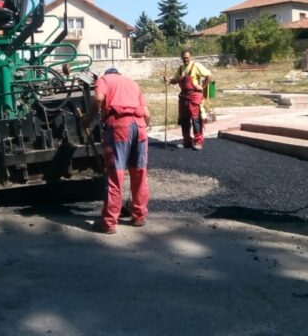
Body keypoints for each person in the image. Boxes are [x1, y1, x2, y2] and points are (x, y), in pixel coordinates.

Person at [80, 67, 150, 234]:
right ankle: (139, 215)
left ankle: (109, 222)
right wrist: (139, 128)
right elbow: (147, 114)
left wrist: (87, 120)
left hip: (119, 125)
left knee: (116, 174)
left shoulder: (104, 80)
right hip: (140, 126)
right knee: (139, 172)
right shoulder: (132, 83)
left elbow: (98, 99)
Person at [165, 50, 211, 151]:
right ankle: (187, 141)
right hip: (183, 97)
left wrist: (202, 87)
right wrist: (168, 80)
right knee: (184, 119)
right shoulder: (180, 69)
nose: (186, 59)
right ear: (181, 58)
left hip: (194, 96)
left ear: (190, 57)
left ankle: (198, 141)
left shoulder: (196, 66)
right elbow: (175, 80)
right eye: (184, 57)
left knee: (196, 119)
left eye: (187, 57)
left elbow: (209, 76)